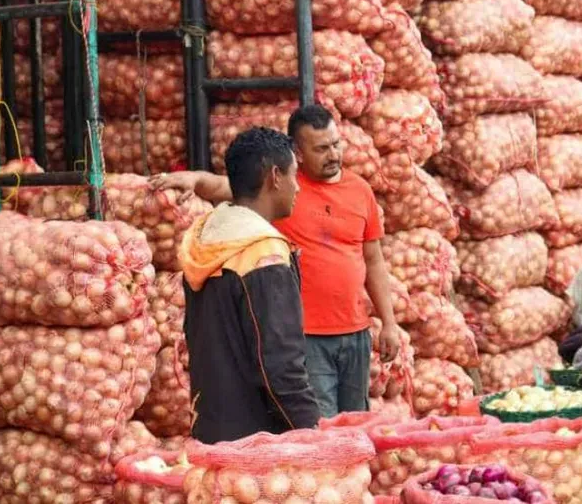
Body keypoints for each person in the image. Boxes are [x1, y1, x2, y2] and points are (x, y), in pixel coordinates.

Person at [153, 104, 404, 419]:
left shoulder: (360, 190)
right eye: (321, 148)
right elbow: (222, 186)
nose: (333, 155)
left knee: (356, 423)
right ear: (298, 153)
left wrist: (389, 323)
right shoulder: (281, 190)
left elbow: (374, 260)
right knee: (320, 427)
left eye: (336, 144)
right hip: (306, 337)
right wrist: (191, 178)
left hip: (355, 333)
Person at [178, 127, 320, 443]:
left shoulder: (208, 237)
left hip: (212, 426)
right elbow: (280, 367)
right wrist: (310, 432)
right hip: (258, 442)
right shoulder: (262, 253)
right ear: (274, 177)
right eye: (294, 174)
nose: (297, 187)